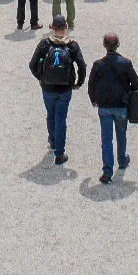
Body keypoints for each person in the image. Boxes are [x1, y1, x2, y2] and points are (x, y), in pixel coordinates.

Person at [28, 15, 86, 165]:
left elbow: (32, 65)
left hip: (47, 87)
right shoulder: (72, 46)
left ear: (52, 27)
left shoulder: (44, 44)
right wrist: (78, 83)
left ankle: (53, 140)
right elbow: (82, 66)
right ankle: (59, 153)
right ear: (66, 27)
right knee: (61, 118)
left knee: (50, 114)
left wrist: (41, 78)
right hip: (65, 88)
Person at [88, 33, 138, 183]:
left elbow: (91, 84)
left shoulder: (98, 64)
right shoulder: (126, 63)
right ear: (118, 45)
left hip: (104, 106)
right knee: (121, 134)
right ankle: (122, 160)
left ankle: (107, 172)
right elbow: (136, 83)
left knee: (106, 139)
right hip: (121, 106)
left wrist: (93, 100)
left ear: (104, 45)